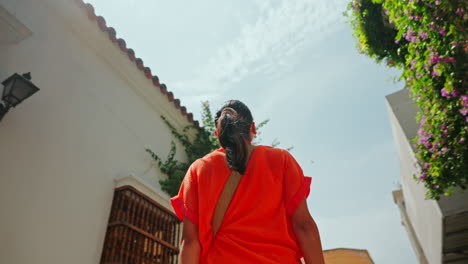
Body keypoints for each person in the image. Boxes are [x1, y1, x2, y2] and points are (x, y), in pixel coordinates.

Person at [171, 100, 324, 264]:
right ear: (253, 128)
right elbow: (303, 225)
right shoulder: (281, 160)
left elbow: (190, 241)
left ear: (218, 135)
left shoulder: (199, 169)